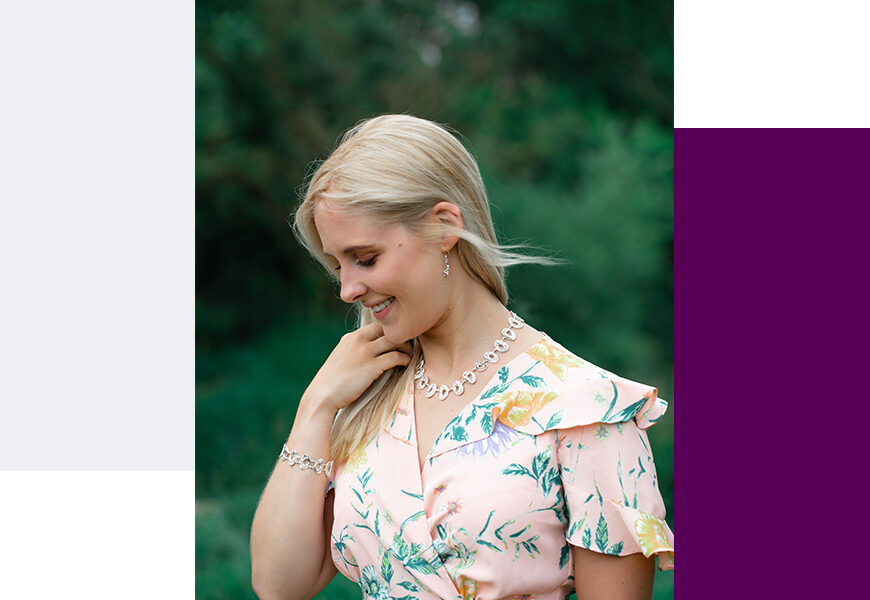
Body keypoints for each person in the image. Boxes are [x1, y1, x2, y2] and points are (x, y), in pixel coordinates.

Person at [250, 114, 674, 600]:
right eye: (337, 264)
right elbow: (278, 586)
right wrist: (317, 406)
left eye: (365, 258)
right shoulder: (366, 393)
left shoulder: (587, 409)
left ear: (446, 225)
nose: (347, 289)